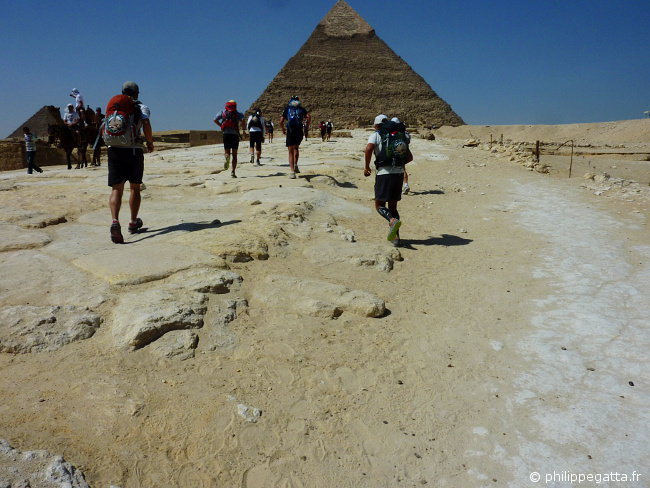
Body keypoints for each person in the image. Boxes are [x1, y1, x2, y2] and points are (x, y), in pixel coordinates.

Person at [105, 81, 154, 244]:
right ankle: (133, 222)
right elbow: (145, 123)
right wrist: (150, 142)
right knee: (135, 187)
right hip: (133, 150)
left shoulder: (114, 107)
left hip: (114, 149)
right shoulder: (141, 107)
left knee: (116, 189)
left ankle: (114, 222)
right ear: (137, 93)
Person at [364, 114, 413, 247]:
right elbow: (410, 158)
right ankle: (396, 239)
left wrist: (367, 167)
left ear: (376, 125)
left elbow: (368, 148)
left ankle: (391, 220)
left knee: (379, 205)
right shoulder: (399, 135)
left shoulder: (377, 134)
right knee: (393, 207)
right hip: (398, 174)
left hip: (384, 173)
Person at [279, 96, 310, 179]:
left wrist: (283, 129)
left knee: (290, 151)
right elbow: (308, 116)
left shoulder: (287, 109)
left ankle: (292, 172)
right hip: (299, 129)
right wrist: (307, 126)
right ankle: (296, 165)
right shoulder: (302, 109)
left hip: (291, 129)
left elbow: (281, 121)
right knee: (296, 148)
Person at [214, 100, 246, 178]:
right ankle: (233, 172)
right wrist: (243, 129)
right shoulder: (238, 114)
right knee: (235, 155)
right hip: (235, 135)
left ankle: (227, 158)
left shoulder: (222, 112)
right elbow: (243, 121)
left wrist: (221, 125)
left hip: (226, 134)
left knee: (227, 152)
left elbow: (215, 119)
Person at [391, 117, 412, 194]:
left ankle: (394, 187)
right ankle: (405, 184)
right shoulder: (405, 133)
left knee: (392, 168)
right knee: (402, 168)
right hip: (404, 152)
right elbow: (408, 141)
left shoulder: (393, 132)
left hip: (395, 153)